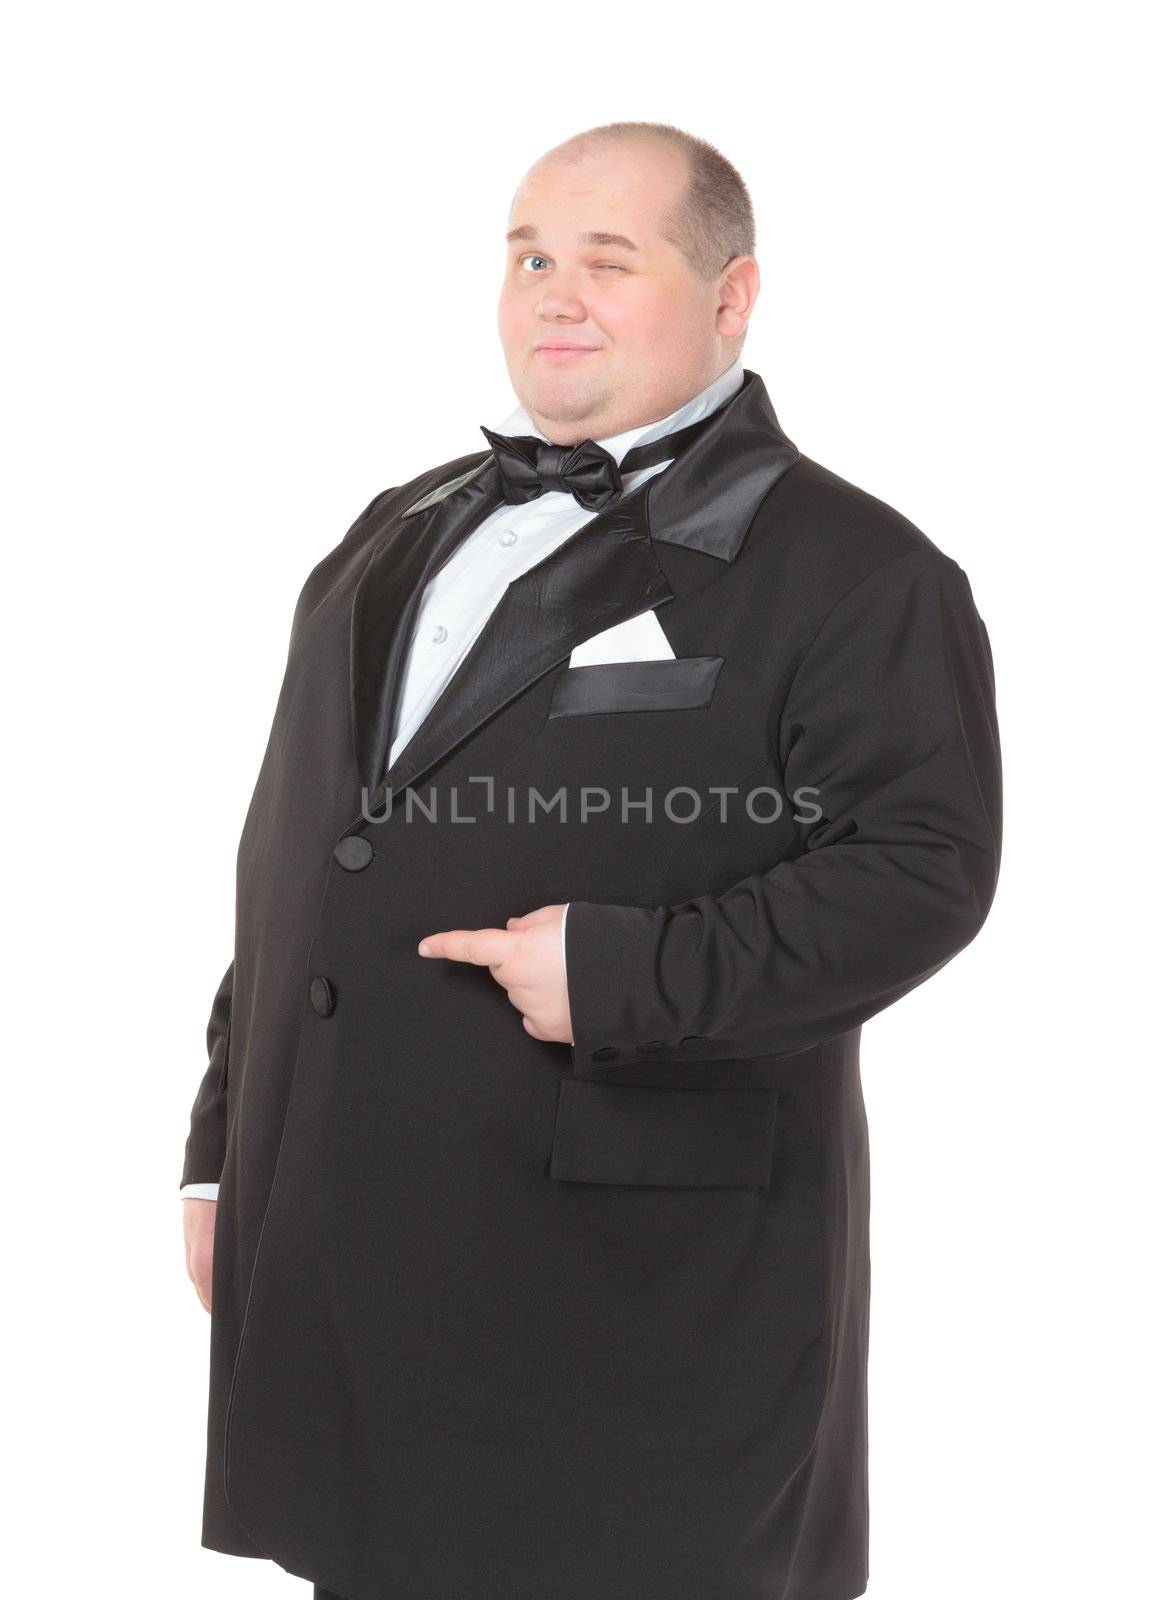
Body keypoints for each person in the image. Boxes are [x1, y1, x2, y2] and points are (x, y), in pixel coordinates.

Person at [181, 119, 1002, 1600]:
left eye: (607, 263)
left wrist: (625, 972)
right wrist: (227, 1144)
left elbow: (921, 867)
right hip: (356, 1237)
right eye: (529, 256)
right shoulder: (399, 526)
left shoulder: (859, 569)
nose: (553, 295)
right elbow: (308, 852)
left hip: (638, 1274)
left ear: (733, 298)